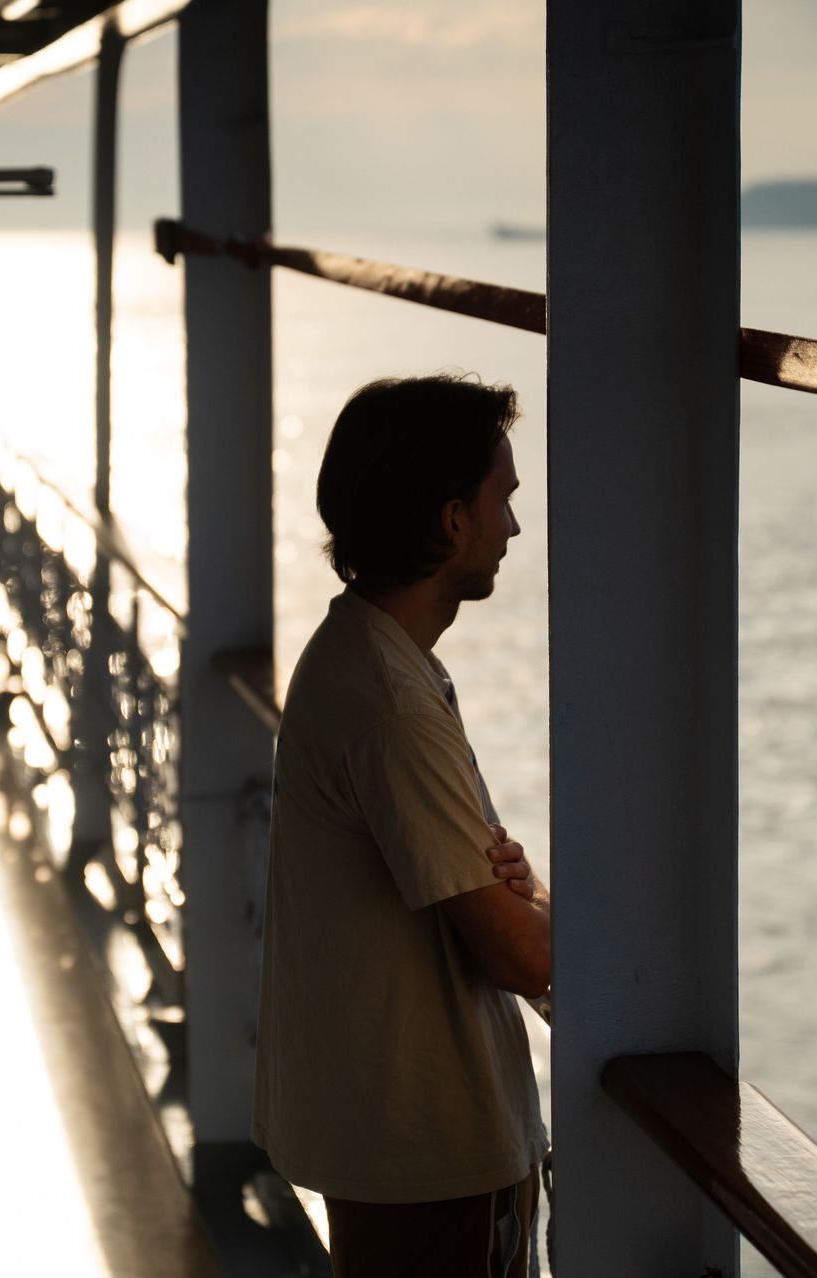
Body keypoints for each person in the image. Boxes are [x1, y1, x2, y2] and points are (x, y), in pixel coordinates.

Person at [252, 374, 552, 1278]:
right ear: (451, 519)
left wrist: (524, 899)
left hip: (391, 1137)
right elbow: (525, 959)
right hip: (426, 1151)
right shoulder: (393, 706)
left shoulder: (363, 656)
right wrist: (541, 909)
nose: (514, 527)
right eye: (502, 499)